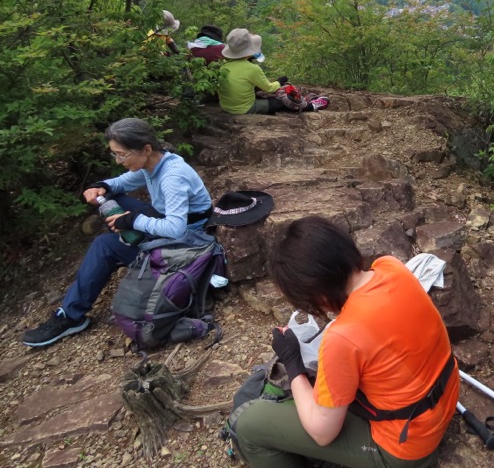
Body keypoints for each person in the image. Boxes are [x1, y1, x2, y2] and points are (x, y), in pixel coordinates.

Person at [234, 216, 458, 468]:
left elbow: (322, 433)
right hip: (439, 407)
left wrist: (292, 361)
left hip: (404, 448)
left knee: (251, 424)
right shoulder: (391, 267)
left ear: (316, 294)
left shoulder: (343, 336)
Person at [22, 118, 213, 348]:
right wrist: (102, 186)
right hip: (165, 220)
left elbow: (175, 228)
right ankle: (126, 236)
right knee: (111, 197)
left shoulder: (172, 176)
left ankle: (71, 317)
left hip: (185, 240)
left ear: (146, 148)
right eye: (115, 154)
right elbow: (121, 183)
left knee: (104, 246)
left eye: (122, 154)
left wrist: (132, 220)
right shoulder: (153, 164)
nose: (119, 161)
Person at [217, 28, 328, 115]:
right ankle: (311, 106)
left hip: (226, 107)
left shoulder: (223, 67)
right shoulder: (252, 69)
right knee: (282, 100)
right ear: (248, 53)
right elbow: (269, 88)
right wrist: (280, 82)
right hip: (245, 109)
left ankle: (304, 100)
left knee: (263, 95)